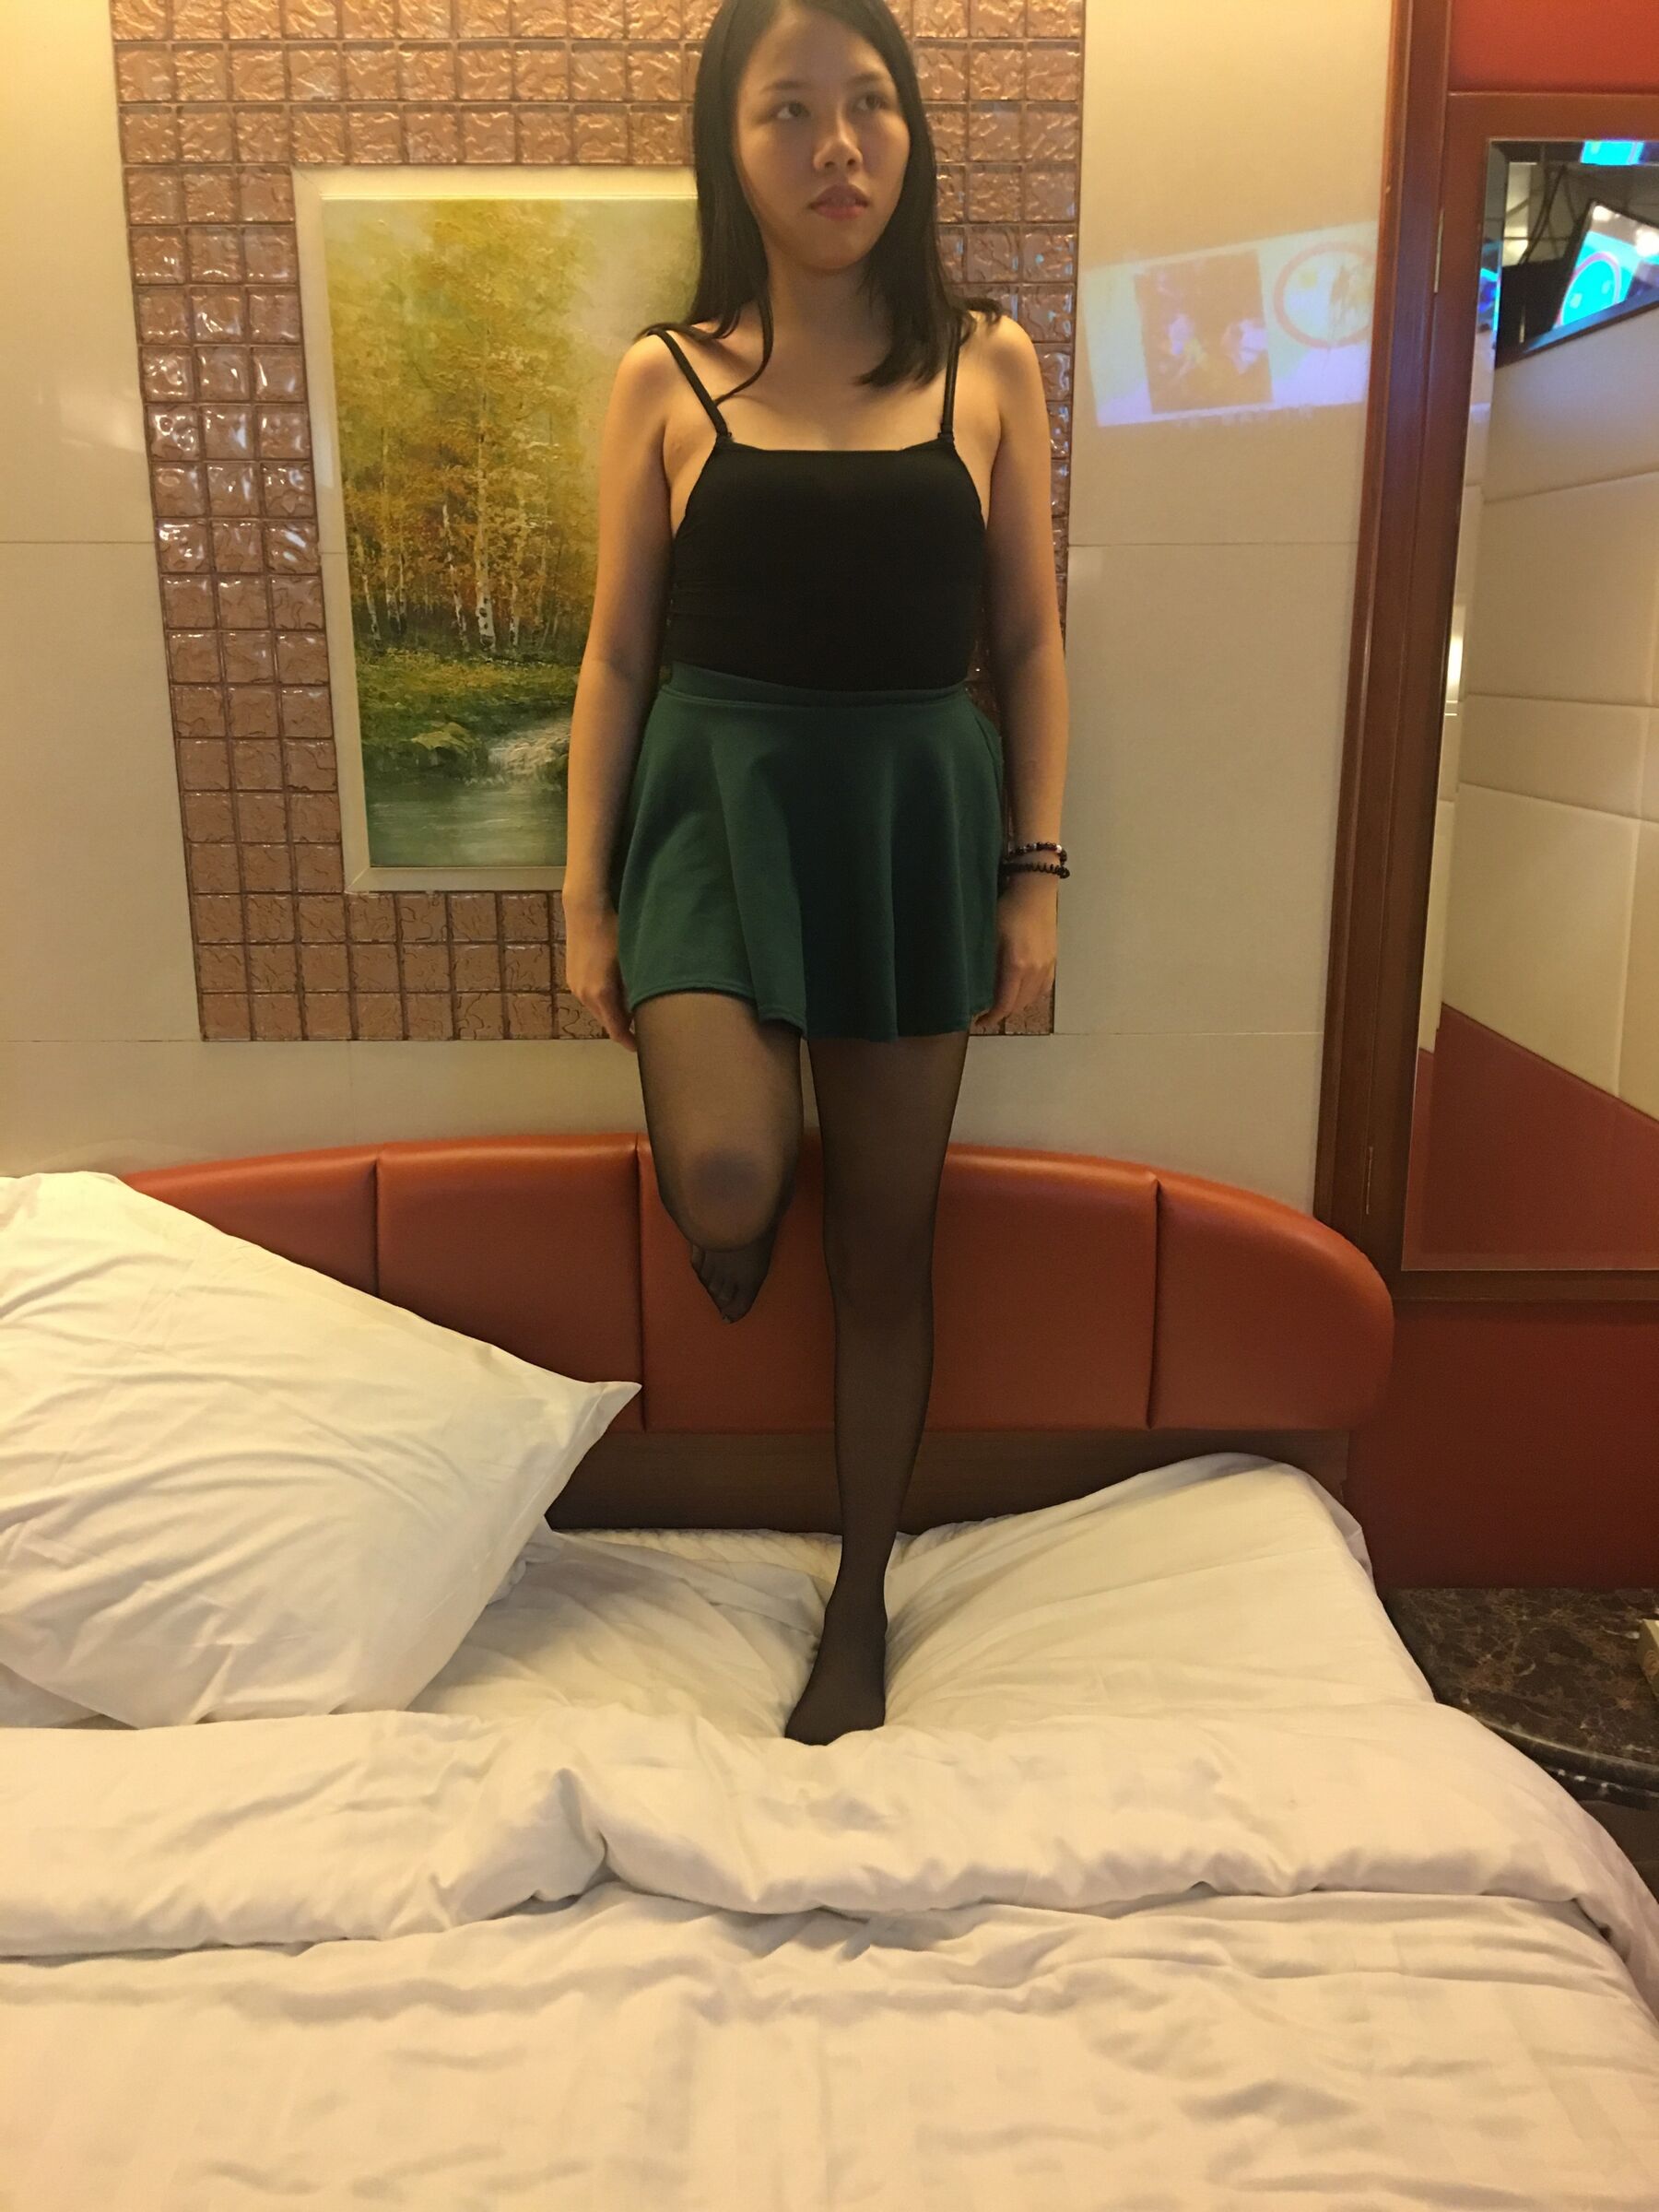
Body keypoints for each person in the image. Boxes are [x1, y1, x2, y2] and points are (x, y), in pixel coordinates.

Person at [562, 0, 1070, 1744]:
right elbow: (616, 655)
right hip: (714, 800)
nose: (837, 145)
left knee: (886, 1247)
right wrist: (585, 897)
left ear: (910, 133)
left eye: (869, 104)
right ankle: (736, 1220)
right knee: (724, 1172)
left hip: (914, 810)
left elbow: (1031, 644)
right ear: (731, 146)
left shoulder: (990, 361)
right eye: (788, 109)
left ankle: (859, 1601)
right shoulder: (665, 374)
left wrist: (1034, 874)